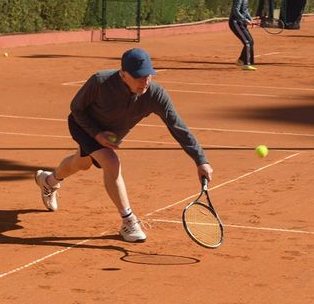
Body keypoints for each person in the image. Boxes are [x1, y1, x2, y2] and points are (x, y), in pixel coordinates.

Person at [34, 48, 213, 243]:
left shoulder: (155, 95)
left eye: (148, 76)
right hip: (84, 126)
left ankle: (48, 181)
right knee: (111, 162)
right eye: (138, 77)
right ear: (123, 74)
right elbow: (76, 109)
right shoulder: (100, 82)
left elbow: (178, 126)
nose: (144, 82)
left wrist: (200, 160)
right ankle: (128, 221)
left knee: (81, 163)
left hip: (109, 136)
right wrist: (97, 134)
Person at [229, 0, 256, 70]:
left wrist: (250, 19)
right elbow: (235, 11)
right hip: (235, 22)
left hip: (241, 22)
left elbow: (245, 10)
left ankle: (241, 60)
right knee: (247, 42)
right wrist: (245, 20)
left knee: (251, 41)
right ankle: (247, 64)